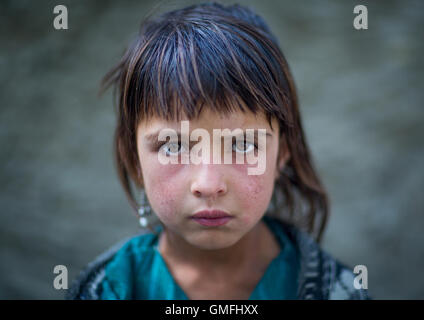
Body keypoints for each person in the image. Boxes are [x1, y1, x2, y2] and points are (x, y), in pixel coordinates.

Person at [66, 2, 370, 300]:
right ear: (134, 161)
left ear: (282, 153)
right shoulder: (105, 290)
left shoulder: (337, 291)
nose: (209, 185)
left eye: (244, 145)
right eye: (173, 147)